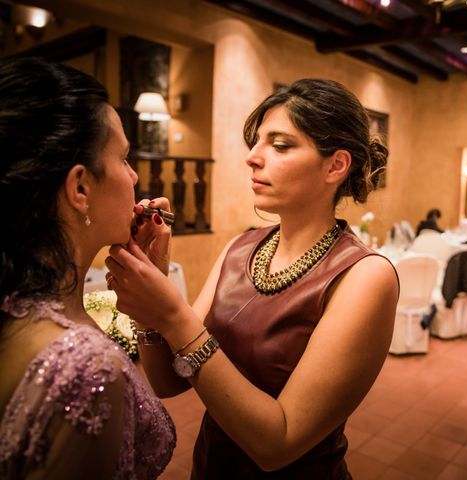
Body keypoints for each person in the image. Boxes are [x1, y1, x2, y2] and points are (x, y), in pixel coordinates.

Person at [105, 79, 399, 478]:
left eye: (280, 145)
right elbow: (168, 382)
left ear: (335, 165)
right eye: (256, 142)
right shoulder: (241, 247)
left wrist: (174, 314)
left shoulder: (365, 276)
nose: (253, 158)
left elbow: (277, 445)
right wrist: (150, 297)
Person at [0, 58, 175, 478]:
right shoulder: (84, 367)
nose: (134, 175)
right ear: (80, 187)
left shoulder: (13, 300)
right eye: (124, 158)